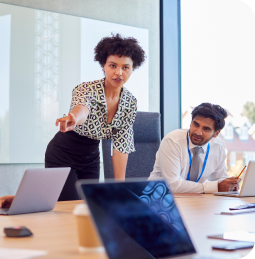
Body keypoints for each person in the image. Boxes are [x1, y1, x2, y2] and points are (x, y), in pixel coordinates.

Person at [45, 34, 146, 200]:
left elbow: (121, 145)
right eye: (113, 65)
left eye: (125, 67)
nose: (119, 73)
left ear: (132, 69)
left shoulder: (130, 102)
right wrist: (73, 118)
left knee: (91, 207)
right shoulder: (86, 89)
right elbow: (82, 108)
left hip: (91, 158)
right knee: (69, 205)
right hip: (62, 154)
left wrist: (120, 187)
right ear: (103, 66)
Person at [148, 103, 240, 193]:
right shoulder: (173, 141)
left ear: (216, 133)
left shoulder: (218, 146)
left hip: (193, 200)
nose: (198, 132)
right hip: (157, 199)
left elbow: (219, 178)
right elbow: (172, 185)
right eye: (196, 124)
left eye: (206, 129)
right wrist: (214, 187)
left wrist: (229, 186)